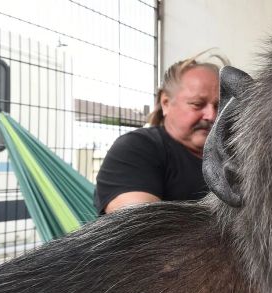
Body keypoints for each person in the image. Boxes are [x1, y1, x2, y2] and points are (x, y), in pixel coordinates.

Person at [94, 52, 227, 214]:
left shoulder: (233, 155)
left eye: (219, 106)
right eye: (197, 104)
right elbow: (141, 227)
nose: (212, 115)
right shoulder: (136, 148)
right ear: (165, 103)